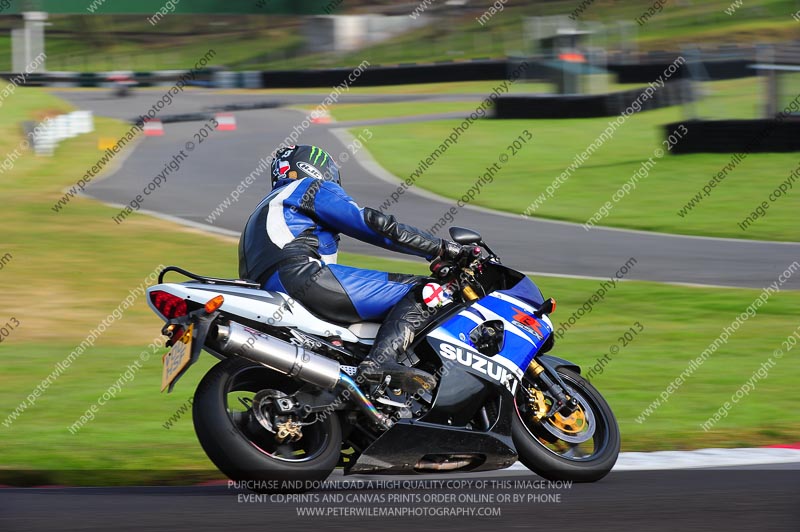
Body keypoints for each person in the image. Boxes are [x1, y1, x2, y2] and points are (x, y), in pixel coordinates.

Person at [238, 145, 467, 392]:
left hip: (272, 292)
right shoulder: (309, 187)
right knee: (428, 291)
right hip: (302, 277)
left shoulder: (260, 213)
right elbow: (373, 225)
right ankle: (380, 362)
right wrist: (441, 249)